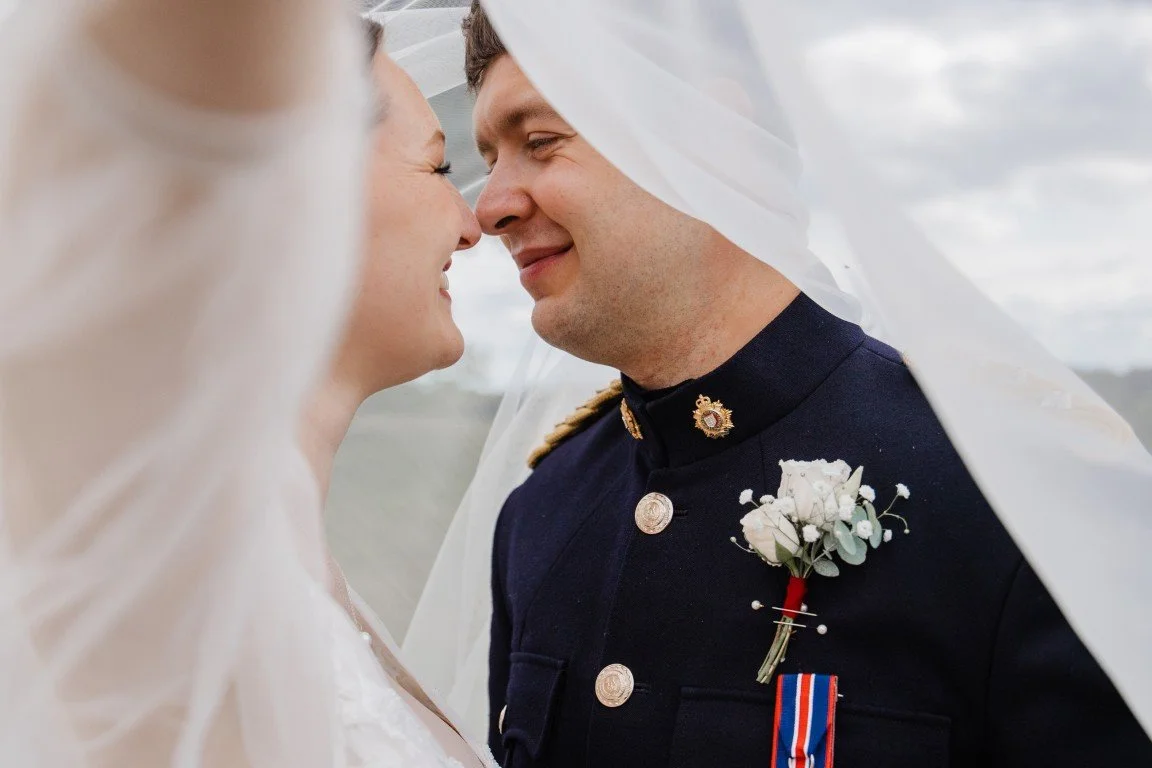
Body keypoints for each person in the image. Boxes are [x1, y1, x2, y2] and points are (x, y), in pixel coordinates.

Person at [460, 3, 1152, 767]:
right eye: (489, 158)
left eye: (541, 142)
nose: (490, 207)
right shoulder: (542, 513)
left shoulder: (1017, 492)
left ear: (708, 133)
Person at [0, 1, 488, 765]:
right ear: (300, 183)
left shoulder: (295, 564)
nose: (472, 222)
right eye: (439, 166)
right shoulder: (160, 558)